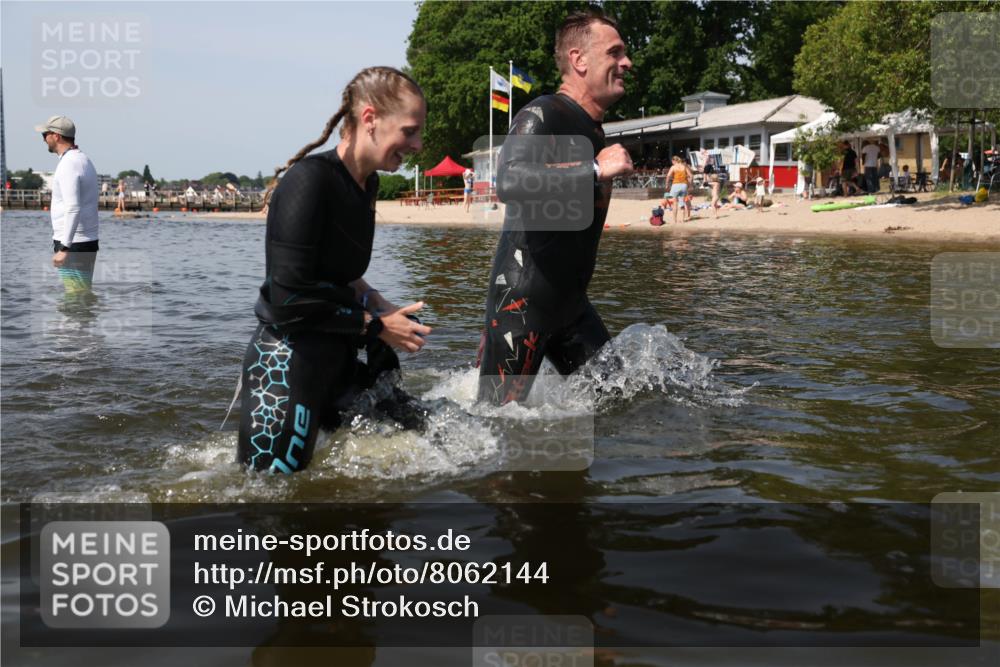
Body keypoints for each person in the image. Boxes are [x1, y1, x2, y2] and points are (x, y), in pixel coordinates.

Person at [237, 66, 432, 473]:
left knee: (434, 437)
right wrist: (378, 327)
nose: (417, 144)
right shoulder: (309, 182)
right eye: (410, 131)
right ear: (370, 119)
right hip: (286, 366)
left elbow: (336, 270)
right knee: (272, 509)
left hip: (337, 358)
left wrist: (377, 303)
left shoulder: (368, 183)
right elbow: (287, 296)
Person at [476, 8, 634, 405]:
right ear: (579, 60)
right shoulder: (544, 113)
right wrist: (596, 168)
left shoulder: (591, 129)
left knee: (619, 403)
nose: (626, 63)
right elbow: (509, 182)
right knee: (492, 431)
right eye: (614, 53)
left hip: (570, 306)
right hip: (522, 308)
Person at [36, 115, 99, 292]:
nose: (43, 139)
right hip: (86, 240)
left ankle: (75, 320)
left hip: (74, 244)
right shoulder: (83, 160)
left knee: (75, 297)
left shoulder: (68, 164)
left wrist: (64, 247)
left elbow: (73, 207)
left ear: (56, 136)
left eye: (45, 134)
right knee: (82, 293)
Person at [662, 155, 692, 223]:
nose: (672, 163)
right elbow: (691, 176)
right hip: (684, 185)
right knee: (682, 202)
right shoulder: (684, 166)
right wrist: (690, 185)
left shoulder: (673, 167)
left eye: (672, 161)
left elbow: (668, 176)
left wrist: (667, 184)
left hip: (676, 185)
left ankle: (675, 220)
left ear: (674, 161)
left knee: (674, 203)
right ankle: (683, 219)